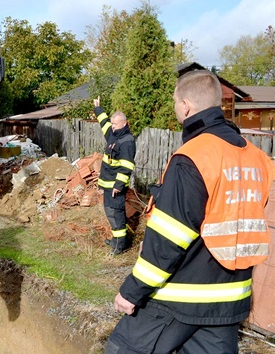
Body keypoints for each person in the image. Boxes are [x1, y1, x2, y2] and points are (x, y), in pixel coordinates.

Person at [104, 70, 275, 353]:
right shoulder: (258, 159)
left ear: (185, 106)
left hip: (181, 297)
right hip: (230, 300)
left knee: (122, 348)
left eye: (174, 102)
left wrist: (132, 291)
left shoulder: (194, 156)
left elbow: (169, 238)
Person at [93, 97, 136, 255]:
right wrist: (98, 108)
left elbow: (127, 167)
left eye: (115, 123)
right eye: (112, 123)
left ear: (124, 123)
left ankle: (120, 245)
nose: (112, 126)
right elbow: (104, 123)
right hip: (107, 184)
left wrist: (118, 186)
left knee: (115, 213)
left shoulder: (127, 141)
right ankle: (116, 240)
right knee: (111, 213)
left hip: (115, 187)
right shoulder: (113, 134)